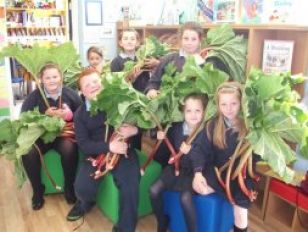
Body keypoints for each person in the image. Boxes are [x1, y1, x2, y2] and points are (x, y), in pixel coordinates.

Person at [66, 68, 140, 232]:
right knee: (82, 189)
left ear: (102, 82)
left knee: (130, 186)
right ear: (82, 91)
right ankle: (86, 202)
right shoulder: (80, 115)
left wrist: (134, 131)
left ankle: (125, 228)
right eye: (87, 84)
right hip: (95, 154)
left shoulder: (118, 100)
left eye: (95, 81)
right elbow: (84, 145)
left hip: (122, 151)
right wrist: (108, 147)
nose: (92, 86)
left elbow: (142, 121)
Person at [192, 82, 259, 232]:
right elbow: (199, 150)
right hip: (218, 172)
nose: (228, 109)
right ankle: (224, 201)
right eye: (224, 104)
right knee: (198, 187)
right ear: (218, 105)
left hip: (240, 176)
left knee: (241, 213)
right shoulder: (212, 125)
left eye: (233, 103)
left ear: (241, 103)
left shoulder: (251, 128)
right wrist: (197, 173)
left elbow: (257, 156)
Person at [21, 63, 82, 210]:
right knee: (28, 152)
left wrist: (67, 117)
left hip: (62, 136)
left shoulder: (70, 94)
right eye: (47, 77)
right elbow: (24, 118)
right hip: (41, 137)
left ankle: (69, 187)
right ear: (41, 79)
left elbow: (81, 116)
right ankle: (37, 190)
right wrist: (44, 115)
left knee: (69, 148)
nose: (52, 80)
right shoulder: (34, 96)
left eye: (55, 76)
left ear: (61, 77)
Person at [150, 92, 208, 232]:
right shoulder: (176, 128)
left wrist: (191, 152)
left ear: (204, 112)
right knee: (153, 190)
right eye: (189, 111)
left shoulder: (205, 131)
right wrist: (160, 138)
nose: (193, 115)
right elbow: (164, 151)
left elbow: (205, 157)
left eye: (197, 110)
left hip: (194, 171)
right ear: (183, 112)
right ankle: (162, 220)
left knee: (185, 198)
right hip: (176, 168)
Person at [145, 21, 226, 99]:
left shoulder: (209, 62)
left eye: (193, 39)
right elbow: (153, 82)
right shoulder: (169, 59)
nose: (189, 43)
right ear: (181, 39)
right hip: (172, 109)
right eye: (186, 39)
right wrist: (151, 91)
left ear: (200, 40)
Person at [110, 28, 159, 93]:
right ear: (120, 43)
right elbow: (116, 84)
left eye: (132, 39)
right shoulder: (116, 62)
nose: (129, 41)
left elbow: (154, 73)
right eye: (125, 39)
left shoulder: (144, 57)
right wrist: (131, 78)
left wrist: (156, 64)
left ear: (137, 42)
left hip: (145, 93)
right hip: (128, 96)